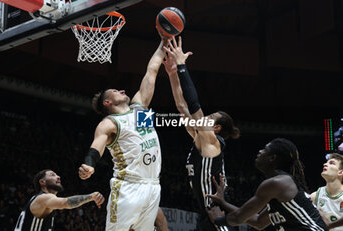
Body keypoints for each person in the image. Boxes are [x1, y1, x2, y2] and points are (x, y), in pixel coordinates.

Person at [78, 31, 169, 231]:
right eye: (116, 92)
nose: (123, 91)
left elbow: (151, 71)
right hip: (129, 186)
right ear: (107, 102)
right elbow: (96, 147)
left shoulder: (140, 109)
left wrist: (164, 41)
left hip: (153, 185)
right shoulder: (109, 123)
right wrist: (89, 164)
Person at [163, 36, 240, 231]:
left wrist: (181, 66)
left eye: (211, 116)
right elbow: (182, 106)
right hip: (209, 213)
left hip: (220, 213)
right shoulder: (199, 137)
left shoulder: (212, 142)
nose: (205, 116)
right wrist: (172, 74)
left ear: (217, 129)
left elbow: (193, 104)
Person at [206, 138, 328, 231]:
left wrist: (217, 220)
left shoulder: (276, 183)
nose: (260, 151)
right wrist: (223, 203)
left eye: (264, 149)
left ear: (272, 158)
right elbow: (258, 222)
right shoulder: (279, 189)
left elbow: (239, 218)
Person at [14, 169, 104, 231]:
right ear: (42, 182)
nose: (58, 177)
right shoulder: (43, 198)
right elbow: (64, 203)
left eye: (57, 174)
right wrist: (91, 196)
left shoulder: (39, 199)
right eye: (52, 175)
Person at [311, 153, 343, 230]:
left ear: (340, 172)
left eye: (331, 163)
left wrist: (329, 225)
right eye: (326, 162)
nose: (325, 164)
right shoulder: (315, 196)